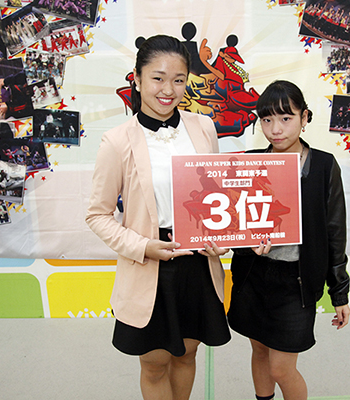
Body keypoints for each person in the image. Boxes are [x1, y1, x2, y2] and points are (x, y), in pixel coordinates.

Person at [85, 35, 231, 400]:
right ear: (137, 78)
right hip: (150, 264)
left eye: (178, 80)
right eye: (158, 78)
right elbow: (98, 215)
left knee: (188, 353)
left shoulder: (204, 128)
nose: (168, 90)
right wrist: (144, 247)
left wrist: (222, 235)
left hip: (198, 262)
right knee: (153, 364)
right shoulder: (117, 141)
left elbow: (216, 196)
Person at [227, 80, 350, 400]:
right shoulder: (251, 162)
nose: (275, 129)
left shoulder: (323, 165)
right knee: (259, 351)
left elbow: (335, 231)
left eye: (286, 118)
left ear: (304, 117)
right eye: (267, 119)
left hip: (296, 281)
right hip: (253, 276)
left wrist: (339, 292)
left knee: (281, 368)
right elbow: (235, 224)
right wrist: (245, 244)